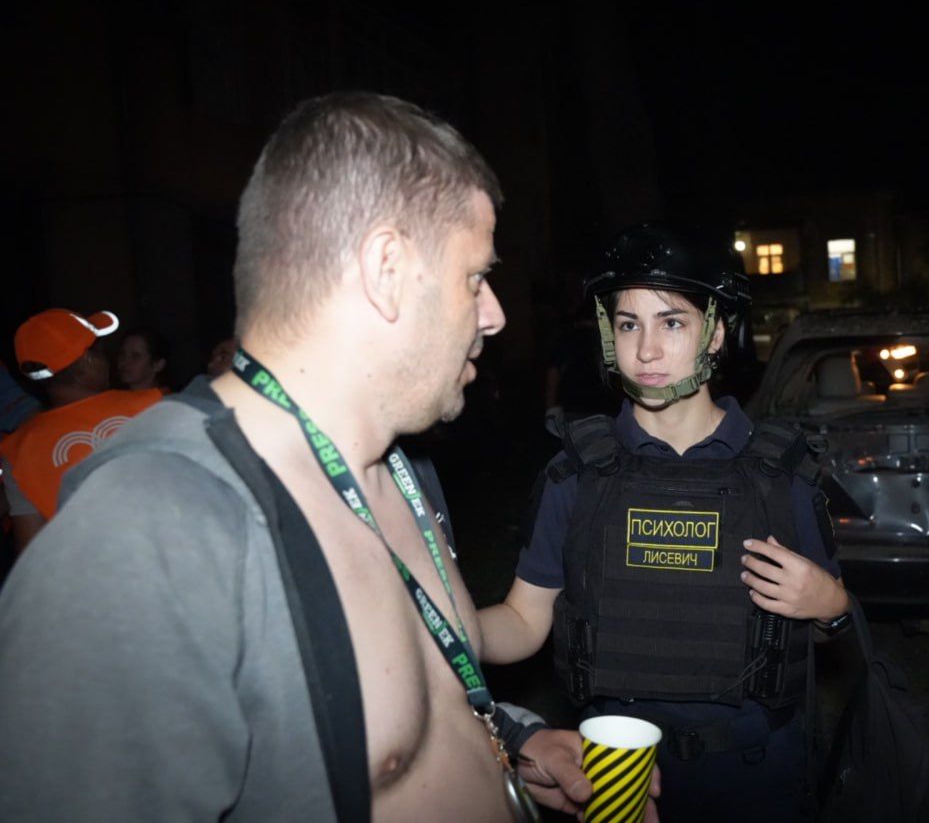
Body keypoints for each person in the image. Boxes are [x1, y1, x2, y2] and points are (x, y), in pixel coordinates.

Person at [0, 93, 647, 823]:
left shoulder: (397, 467)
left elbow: (408, 699)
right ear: (386, 268)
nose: (494, 313)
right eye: (475, 277)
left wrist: (517, 742)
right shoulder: (149, 536)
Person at [480, 224, 853, 823]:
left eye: (672, 322)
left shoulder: (781, 475)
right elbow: (523, 622)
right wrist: (437, 628)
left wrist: (831, 605)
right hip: (614, 773)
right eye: (629, 324)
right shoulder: (577, 473)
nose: (647, 350)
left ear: (716, 333)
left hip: (756, 776)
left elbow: (830, 629)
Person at [0, 308, 161, 551]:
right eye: (99, 351)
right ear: (87, 361)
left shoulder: (19, 451)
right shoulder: (151, 405)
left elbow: (32, 550)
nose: (108, 360)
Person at [116, 326, 170, 391]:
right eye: (122, 354)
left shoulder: (168, 397)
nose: (125, 362)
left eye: (135, 356)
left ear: (158, 365)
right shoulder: (113, 395)